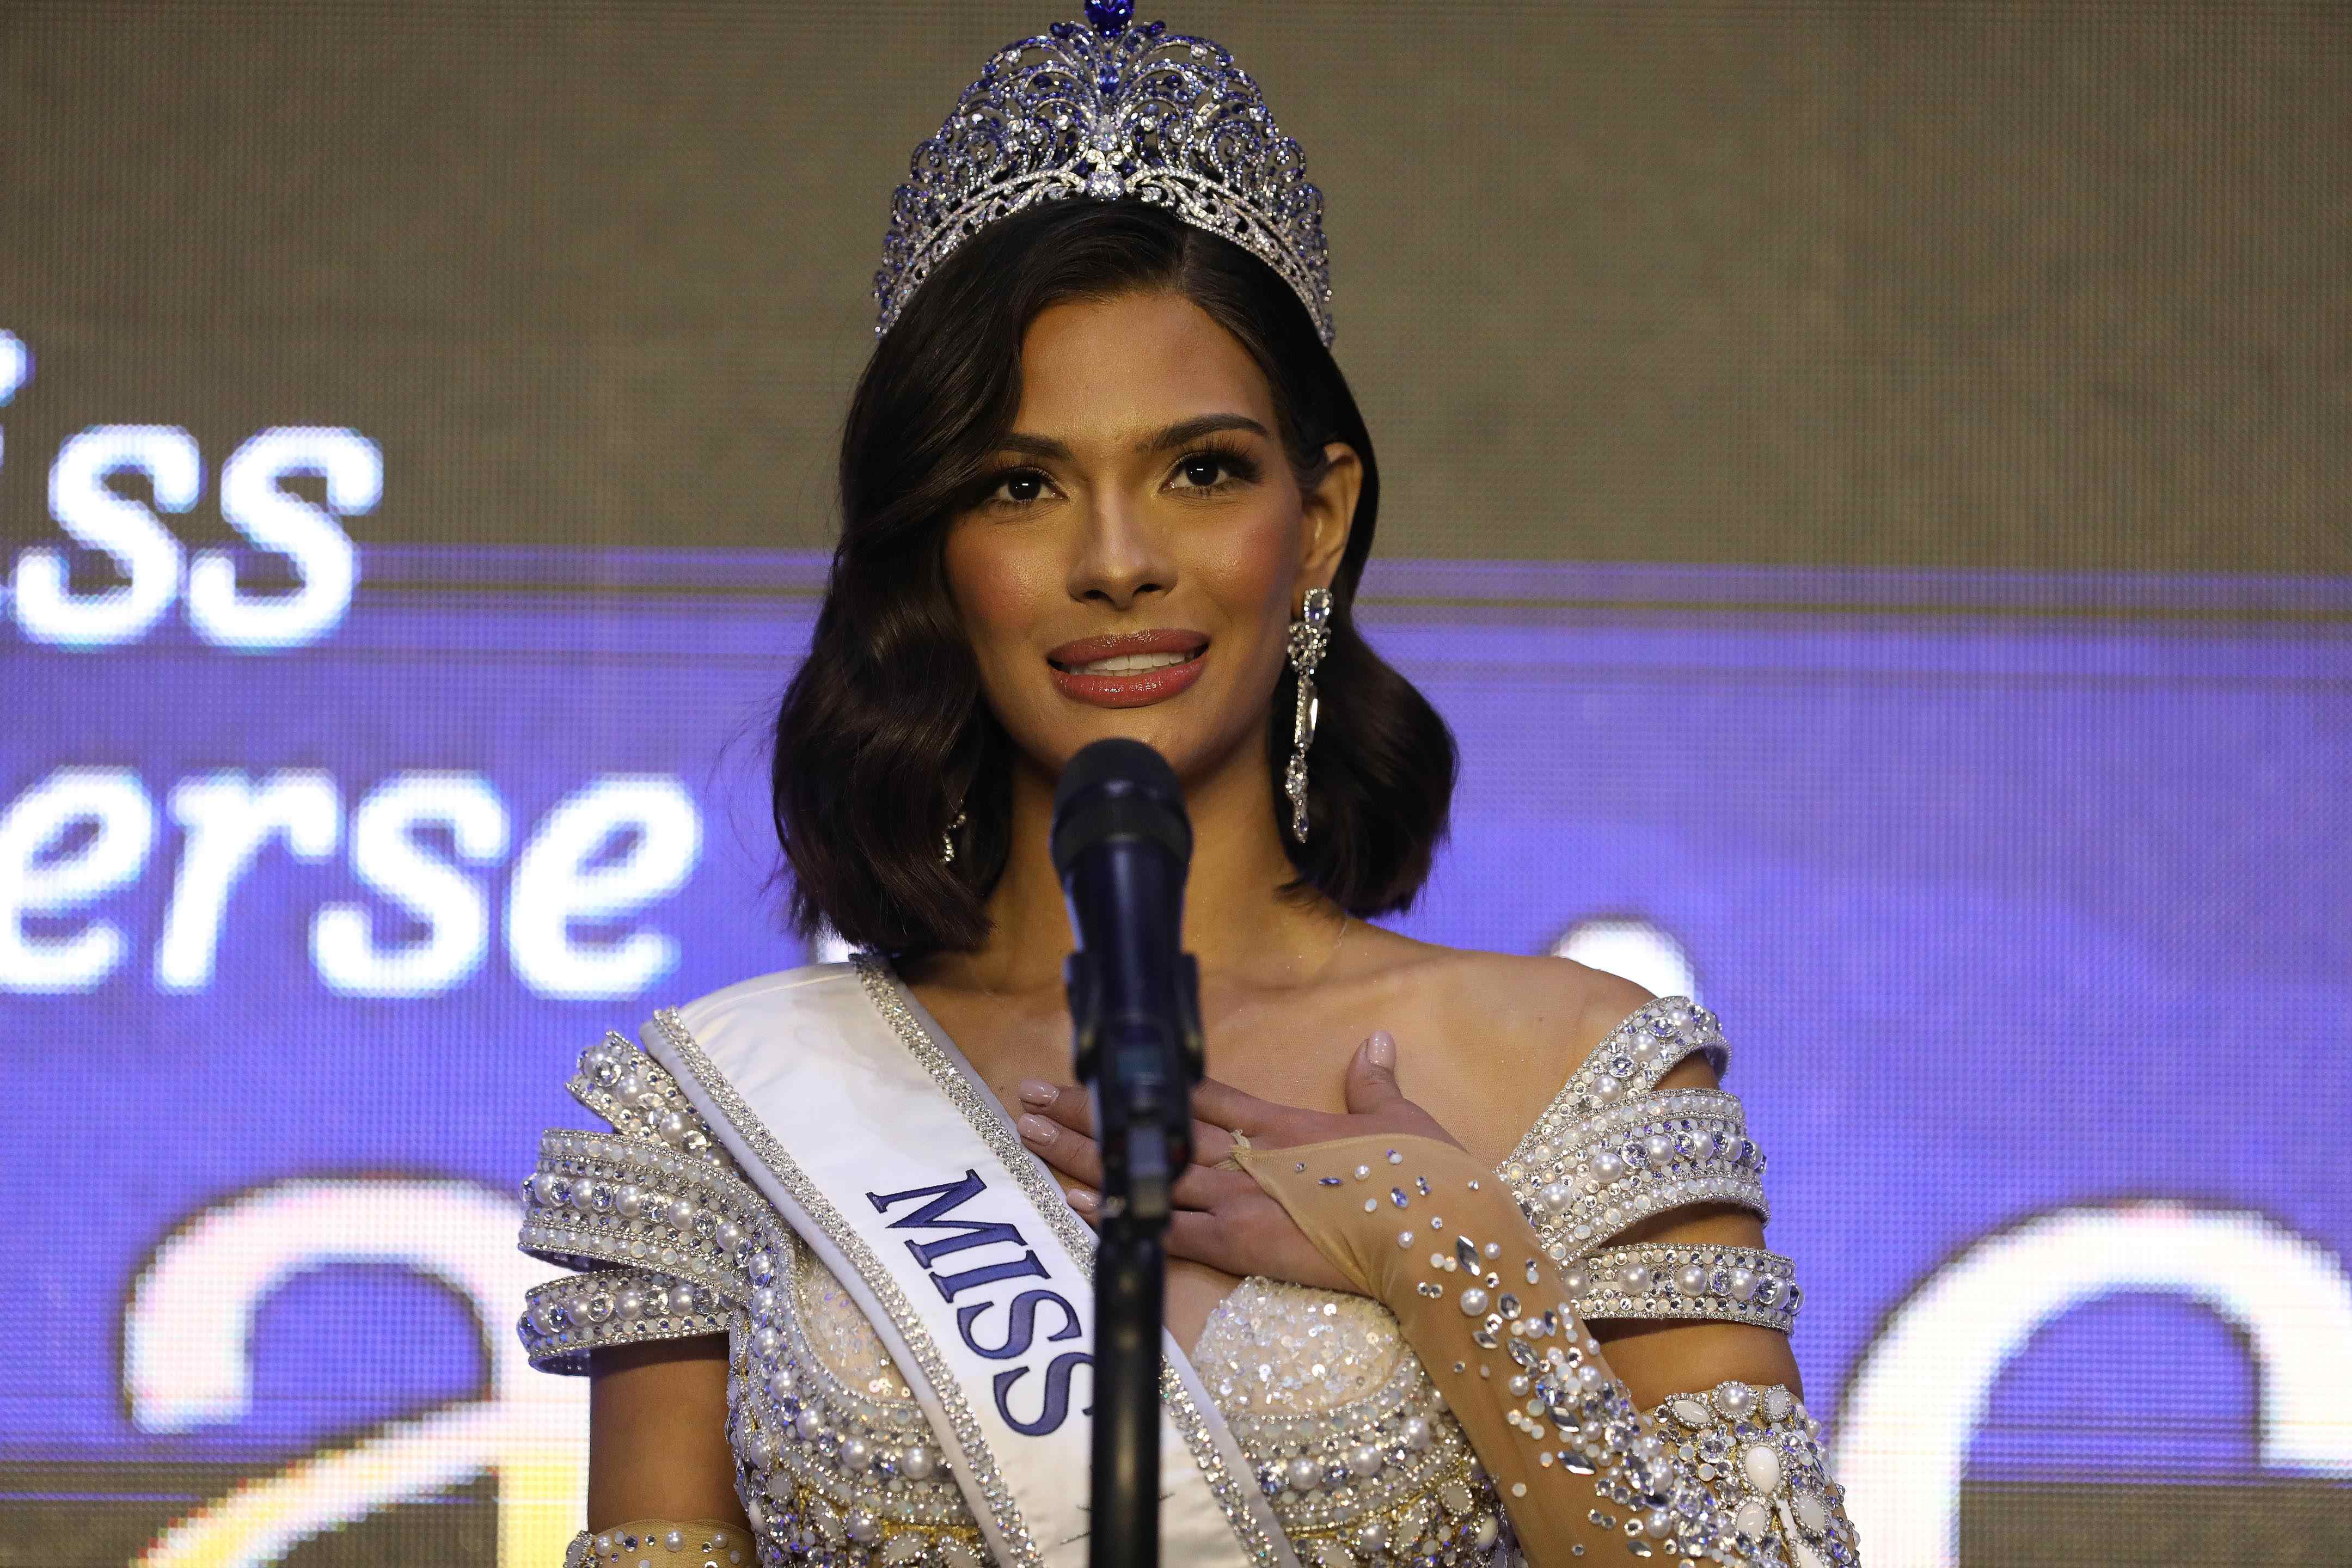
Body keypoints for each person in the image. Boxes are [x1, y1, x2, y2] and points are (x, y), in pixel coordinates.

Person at [517, 7, 1859, 1565]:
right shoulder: (722, 1112)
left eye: (1201, 470)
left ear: (1324, 516)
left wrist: (1454, 1272)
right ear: (933, 556)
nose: (1118, 560)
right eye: (1021, 486)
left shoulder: (1570, 1075)